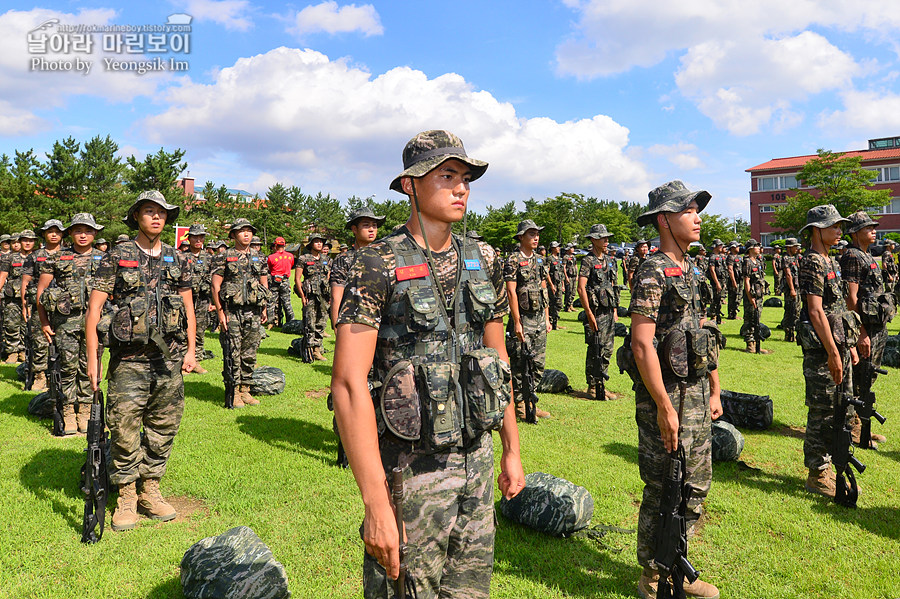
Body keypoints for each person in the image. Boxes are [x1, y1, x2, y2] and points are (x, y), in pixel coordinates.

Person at [331, 130, 524, 598]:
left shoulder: (484, 258)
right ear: (410, 185)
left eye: (466, 178)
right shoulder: (375, 263)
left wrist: (511, 448)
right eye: (447, 176)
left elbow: (498, 361)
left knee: (469, 591)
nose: (462, 188)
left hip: (475, 462)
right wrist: (376, 502)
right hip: (409, 472)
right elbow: (349, 385)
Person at [629, 180, 722, 599]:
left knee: (695, 482)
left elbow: (701, 333)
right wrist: (664, 407)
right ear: (665, 220)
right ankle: (653, 575)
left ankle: (677, 565)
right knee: (663, 484)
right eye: (688, 211)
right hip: (666, 397)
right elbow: (641, 342)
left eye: (696, 210)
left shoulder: (691, 267)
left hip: (697, 394)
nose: (697, 218)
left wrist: (715, 389)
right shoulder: (652, 269)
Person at [85, 190, 197, 531]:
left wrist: (191, 350)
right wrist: (94, 359)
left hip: (169, 359)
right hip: (128, 361)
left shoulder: (177, 259)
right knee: (124, 428)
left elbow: (188, 306)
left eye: (161, 212)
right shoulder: (117, 255)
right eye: (149, 211)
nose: (156, 217)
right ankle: (127, 495)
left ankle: (151, 488)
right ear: (136, 216)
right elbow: (94, 312)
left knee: (164, 427)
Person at [796, 205, 856, 498]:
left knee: (840, 406)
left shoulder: (829, 261)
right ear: (818, 230)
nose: (839, 231)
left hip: (837, 345)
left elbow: (839, 308)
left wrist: (848, 347)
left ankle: (831, 467)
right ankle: (817, 473)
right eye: (834, 226)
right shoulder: (812, 262)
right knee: (822, 409)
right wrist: (833, 352)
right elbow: (816, 311)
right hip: (822, 351)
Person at [36, 213, 105, 434]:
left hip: (94, 325)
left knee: (88, 368)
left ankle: (84, 411)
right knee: (67, 368)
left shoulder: (105, 259)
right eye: (77, 230)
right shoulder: (56, 258)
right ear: (71, 233)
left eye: (87, 231)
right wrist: (44, 322)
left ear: (95, 233)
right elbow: (41, 293)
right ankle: (67, 412)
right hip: (65, 324)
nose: (82, 235)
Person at [841, 211, 892, 449]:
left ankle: (863, 427)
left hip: (877, 326)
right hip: (866, 329)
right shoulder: (852, 256)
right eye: (867, 227)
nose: (873, 230)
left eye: (873, 226)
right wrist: (860, 332)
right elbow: (851, 298)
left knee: (869, 377)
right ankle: (854, 429)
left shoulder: (868, 254)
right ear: (854, 232)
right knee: (859, 377)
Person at [211, 218, 268, 407]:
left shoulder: (258, 256)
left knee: (250, 352)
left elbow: (263, 282)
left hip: (253, 310)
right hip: (231, 311)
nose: (246, 234)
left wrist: (265, 307)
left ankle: (245, 389)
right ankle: (233, 391)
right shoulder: (224, 256)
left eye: (249, 231)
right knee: (232, 352)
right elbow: (216, 284)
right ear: (233, 235)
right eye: (241, 231)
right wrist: (220, 313)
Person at [505, 219, 552, 421]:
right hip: (523, 319)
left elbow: (543, 289)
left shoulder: (540, 260)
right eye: (531, 234)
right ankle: (521, 405)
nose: (536, 238)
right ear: (521, 237)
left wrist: (548, 318)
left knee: (538, 363)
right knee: (520, 363)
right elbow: (511, 291)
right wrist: (516, 321)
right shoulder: (513, 260)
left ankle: (531, 400)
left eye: (537, 234)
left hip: (539, 318)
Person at [21, 220, 65, 390]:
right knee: (39, 341)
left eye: (57, 231)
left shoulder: (68, 254)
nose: (54, 234)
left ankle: (57, 376)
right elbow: (26, 281)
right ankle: (39, 375)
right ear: (44, 234)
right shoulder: (34, 256)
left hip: (63, 306)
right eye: (50, 231)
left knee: (61, 342)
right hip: (40, 304)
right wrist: (25, 306)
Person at [578, 224, 619, 400]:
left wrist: (615, 310)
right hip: (595, 311)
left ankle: (602, 382)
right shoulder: (588, 261)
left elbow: (613, 287)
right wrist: (589, 314)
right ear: (594, 239)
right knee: (595, 347)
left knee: (608, 348)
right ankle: (592, 386)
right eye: (603, 237)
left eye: (607, 237)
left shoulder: (610, 260)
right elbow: (581, 288)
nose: (606, 240)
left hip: (608, 310)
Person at [329, 208, 384, 327]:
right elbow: (336, 296)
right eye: (366, 225)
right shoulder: (344, 259)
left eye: (374, 226)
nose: (371, 229)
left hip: (380, 321)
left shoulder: (383, 256)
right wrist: (336, 327)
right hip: (352, 321)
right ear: (354, 229)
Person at [0, 230, 36, 363]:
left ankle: (23, 350)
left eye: (30, 240)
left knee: (27, 324)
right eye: (24, 240)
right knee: (11, 324)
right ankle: (12, 351)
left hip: (31, 296)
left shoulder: (37, 257)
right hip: (12, 297)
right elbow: (3, 276)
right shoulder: (10, 258)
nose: (27, 243)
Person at [295, 233, 330, 361]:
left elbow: (328, 277)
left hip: (323, 296)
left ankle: (317, 350)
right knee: (309, 323)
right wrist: (302, 296)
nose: (319, 244)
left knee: (321, 322)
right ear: (311, 244)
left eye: (321, 242)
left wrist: (329, 295)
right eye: (316, 242)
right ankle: (308, 351)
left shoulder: (326, 259)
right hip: (310, 295)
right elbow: (297, 279)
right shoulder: (304, 258)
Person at [185, 224, 213, 374]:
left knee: (200, 329)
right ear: (189, 238)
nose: (198, 239)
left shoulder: (209, 258)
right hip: (186, 298)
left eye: (201, 237)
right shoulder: (182, 256)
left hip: (202, 299)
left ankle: (197, 361)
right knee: (183, 327)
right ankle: (184, 359)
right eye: (195, 236)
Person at [741, 239, 771, 354]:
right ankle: (750, 344)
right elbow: (747, 281)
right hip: (752, 295)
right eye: (756, 246)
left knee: (756, 319)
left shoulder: (757, 261)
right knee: (749, 319)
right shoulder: (747, 262)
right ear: (750, 249)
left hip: (759, 295)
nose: (759, 248)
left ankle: (756, 343)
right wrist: (750, 297)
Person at [267, 236, 296, 327]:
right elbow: (290, 266)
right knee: (287, 302)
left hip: (274, 280)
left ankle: (271, 323)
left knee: (271, 302)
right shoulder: (290, 256)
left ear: (275, 245)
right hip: (285, 280)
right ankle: (291, 321)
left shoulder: (271, 257)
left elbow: (270, 268)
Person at [781, 238, 802, 342]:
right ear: (789, 247)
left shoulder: (794, 258)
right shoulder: (785, 258)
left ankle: (794, 332)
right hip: (791, 288)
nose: (797, 248)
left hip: (797, 287)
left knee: (797, 310)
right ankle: (788, 333)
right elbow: (788, 274)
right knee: (790, 310)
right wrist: (792, 289)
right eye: (795, 247)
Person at [547, 241, 567, 330]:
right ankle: (551, 323)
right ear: (552, 248)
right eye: (557, 247)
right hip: (553, 284)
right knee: (552, 303)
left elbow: (561, 272)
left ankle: (555, 322)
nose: (559, 248)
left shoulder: (559, 259)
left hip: (559, 284)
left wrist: (563, 285)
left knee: (559, 304)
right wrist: (551, 285)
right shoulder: (549, 259)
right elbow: (546, 272)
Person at [563, 243, 578, 311]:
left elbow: (575, 266)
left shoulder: (574, 257)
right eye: (571, 248)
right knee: (568, 291)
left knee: (573, 291)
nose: (573, 249)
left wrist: (577, 275)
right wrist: (566, 277)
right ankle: (567, 306)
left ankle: (571, 305)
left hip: (574, 276)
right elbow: (564, 267)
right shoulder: (565, 257)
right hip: (569, 276)